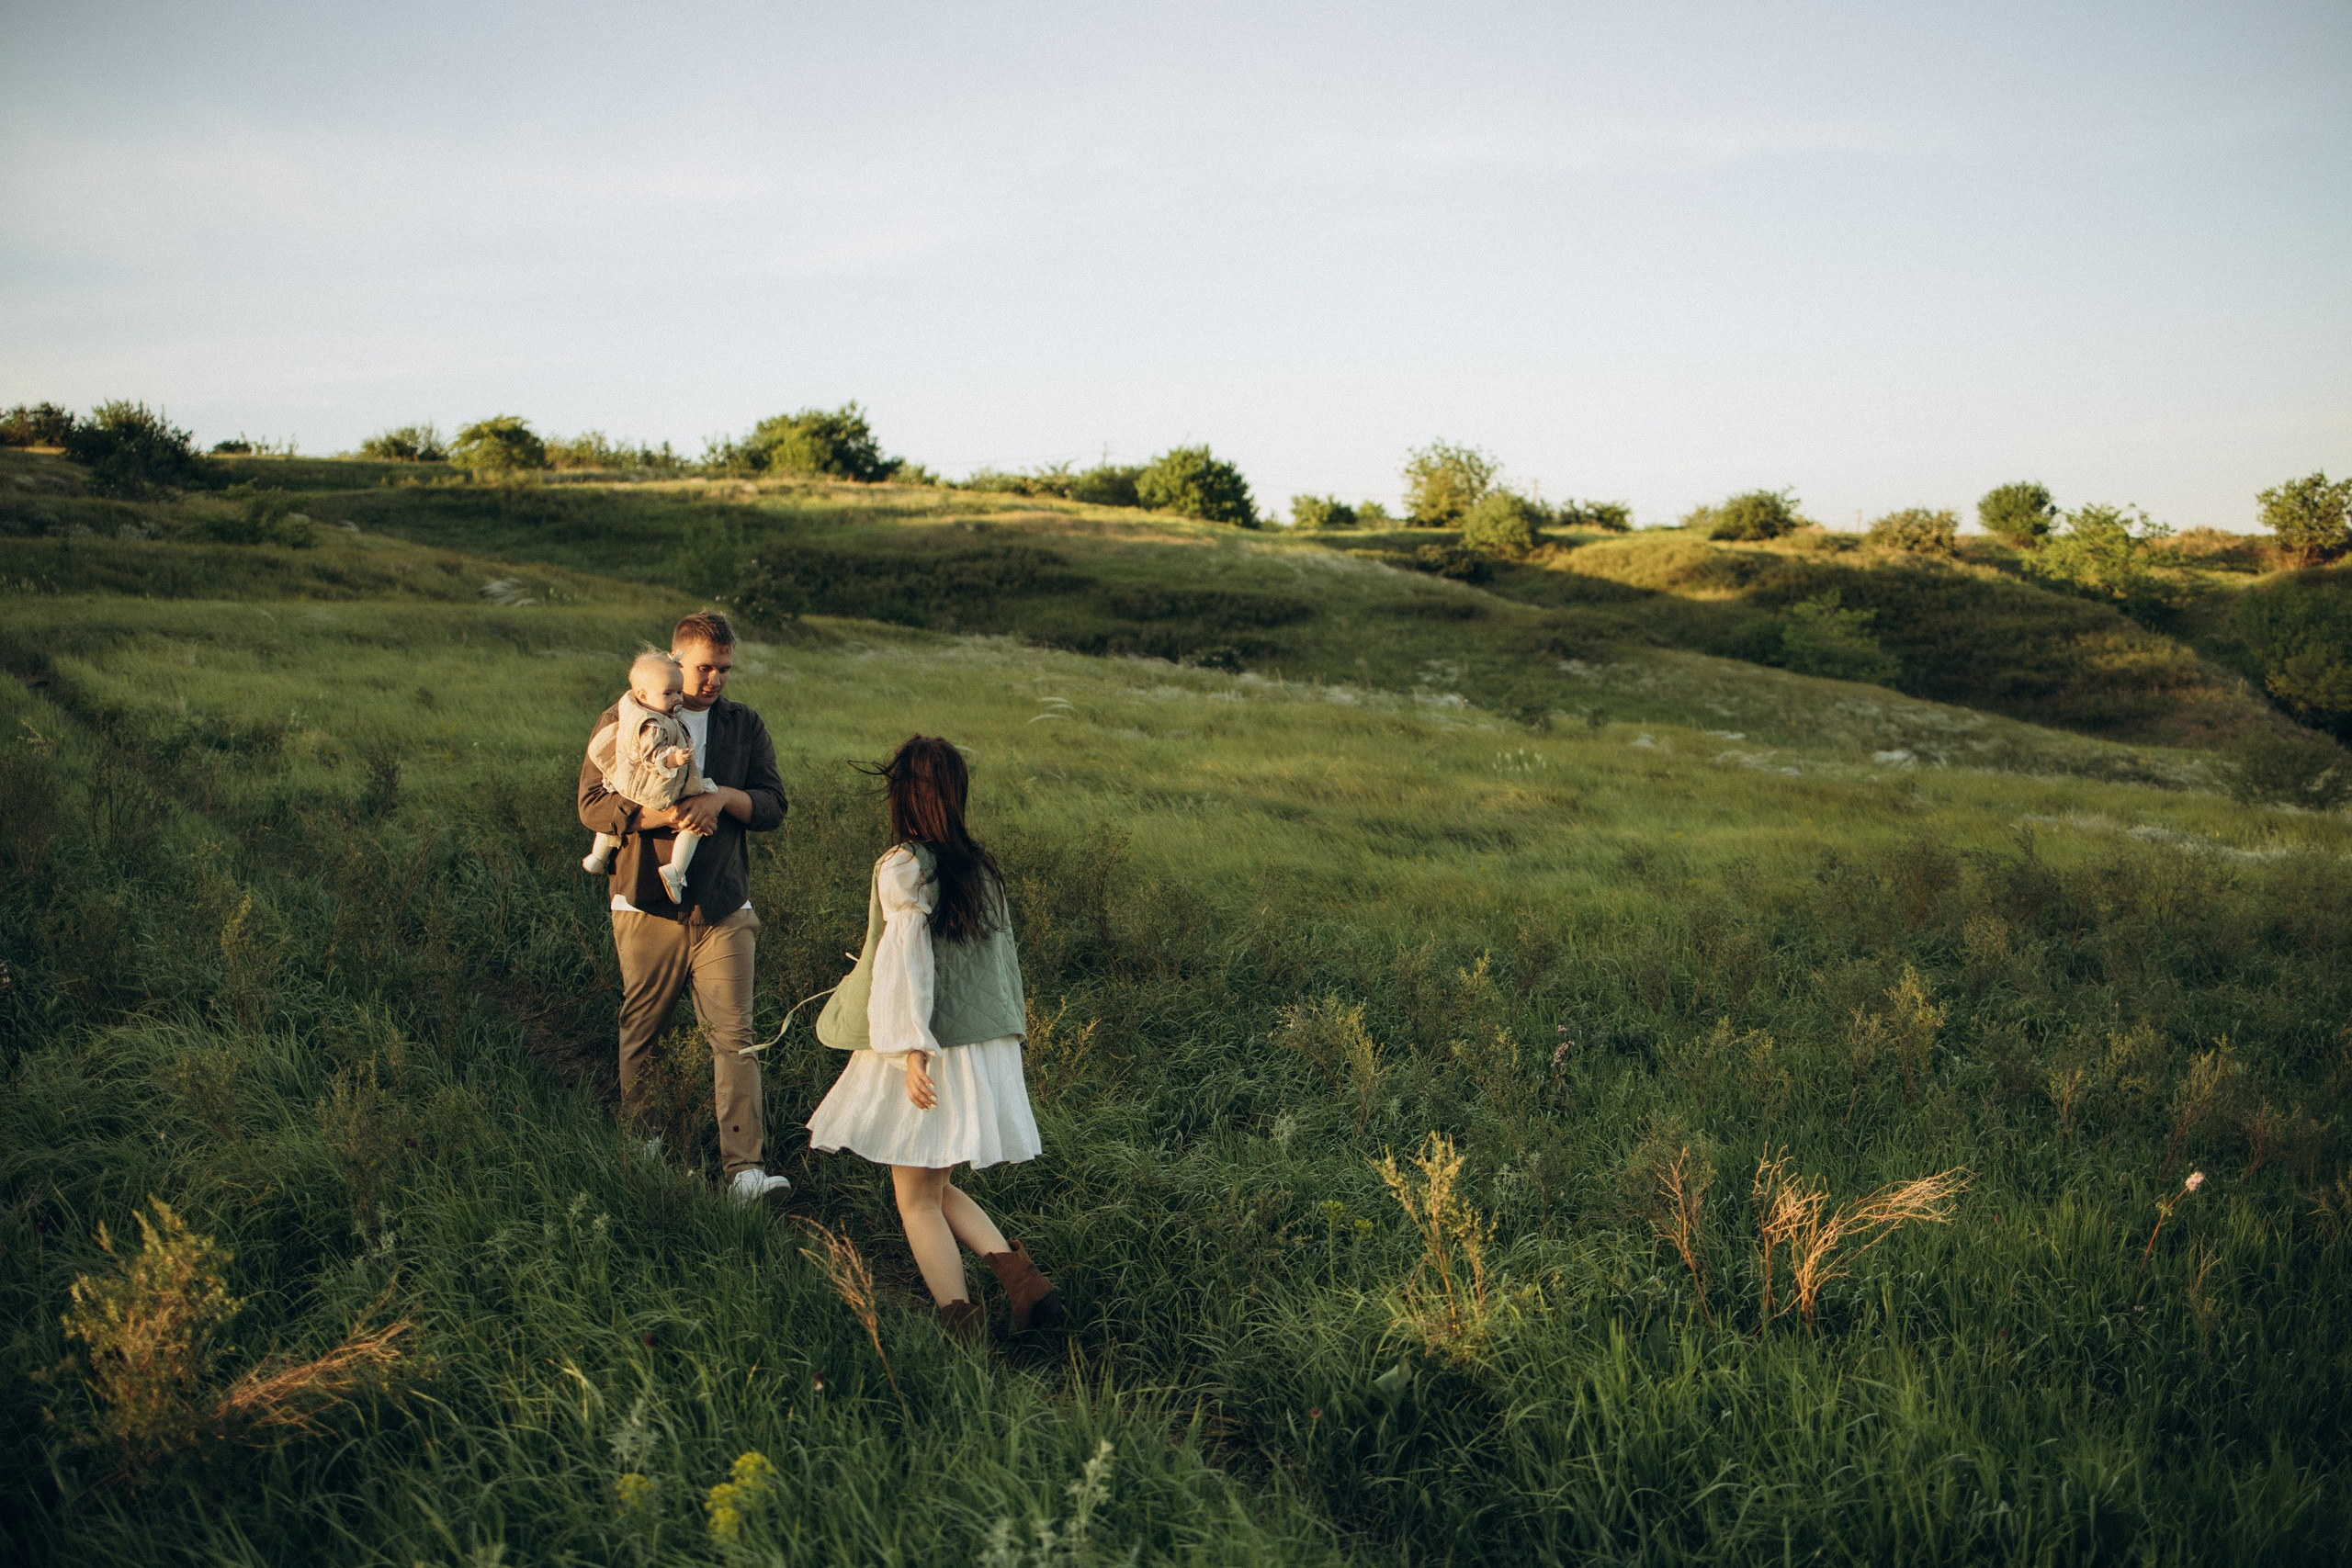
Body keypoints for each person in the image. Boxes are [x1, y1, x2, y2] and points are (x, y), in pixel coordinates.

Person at [807, 736, 1063, 1342]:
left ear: (903, 795)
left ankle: (961, 1329)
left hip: (930, 1041)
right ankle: (1029, 1288)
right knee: (934, 1182)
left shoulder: (905, 865)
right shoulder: (977, 865)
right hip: (982, 1043)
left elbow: (907, 967)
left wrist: (910, 1050)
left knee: (915, 1197)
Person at [576, 611, 794, 1206]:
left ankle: (745, 1170)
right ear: (676, 659)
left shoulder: (743, 725)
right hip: (646, 903)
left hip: (724, 904)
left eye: (725, 668)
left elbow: (774, 804)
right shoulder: (624, 717)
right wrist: (663, 816)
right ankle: (644, 1147)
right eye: (704, 667)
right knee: (642, 1029)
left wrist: (722, 797)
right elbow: (593, 807)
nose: (716, 679)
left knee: (737, 1037)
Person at [582, 650, 720, 906]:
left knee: (617, 818)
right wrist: (674, 758)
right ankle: (676, 870)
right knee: (696, 818)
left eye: (678, 692)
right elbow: (652, 754)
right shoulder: (654, 723)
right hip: (655, 784)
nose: (677, 698)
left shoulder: (639, 713)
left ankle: (598, 856)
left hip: (630, 783)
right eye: (668, 694)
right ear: (643, 695)